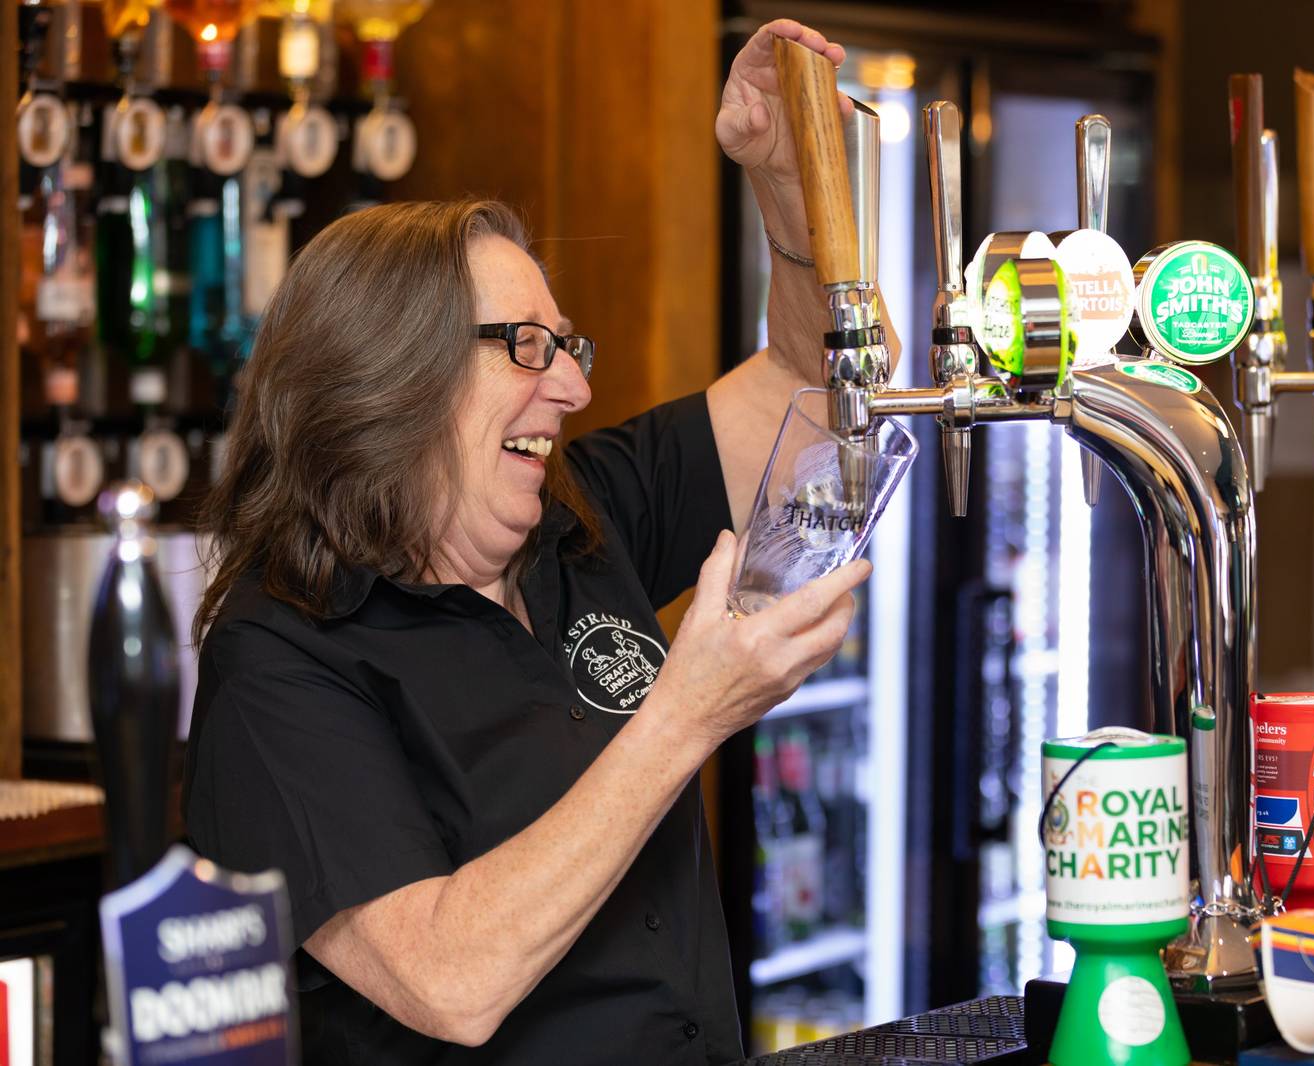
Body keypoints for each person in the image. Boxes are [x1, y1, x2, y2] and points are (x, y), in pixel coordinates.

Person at [182, 20, 890, 1065]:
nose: (572, 385)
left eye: (569, 345)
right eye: (527, 346)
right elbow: (447, 978)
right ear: (391, 374)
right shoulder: (282, 657)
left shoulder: (580, 511)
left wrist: (784, 180)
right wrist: (683, 717)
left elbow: (810, 391)